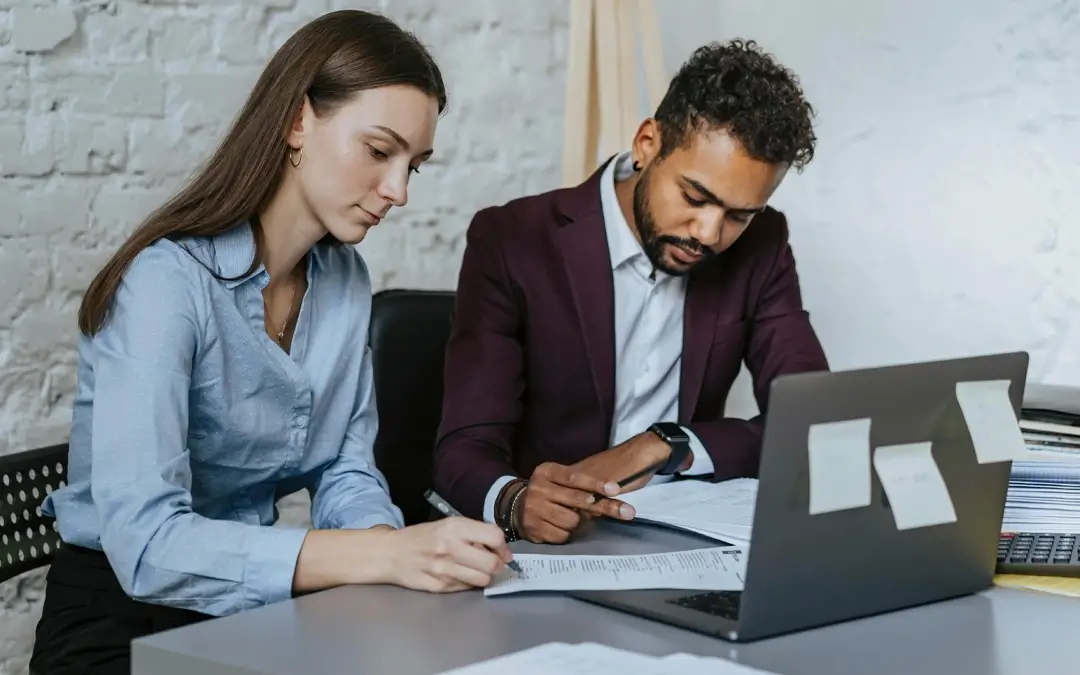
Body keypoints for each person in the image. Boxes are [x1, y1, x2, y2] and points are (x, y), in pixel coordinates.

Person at [30, 10, 513, 675]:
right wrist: (385, 556)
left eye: (415, 166)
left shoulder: (344, 281)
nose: (398, 191)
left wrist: (396, 552)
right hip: (119, 619)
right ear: (297, 121)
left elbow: (345, 467)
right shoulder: (165, 285)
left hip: (250, 610)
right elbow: (146, 547)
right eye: (379, 151)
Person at [432, 40, 831, 545]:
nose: (709, 233)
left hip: (683, 537)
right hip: (547, 546)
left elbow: (813, 419)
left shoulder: (763, 245)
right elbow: (462, 447)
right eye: (694, 196)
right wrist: (515, 501)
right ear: (647, 143)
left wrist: (668, 445)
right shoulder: (514, 240)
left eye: (739, 215)